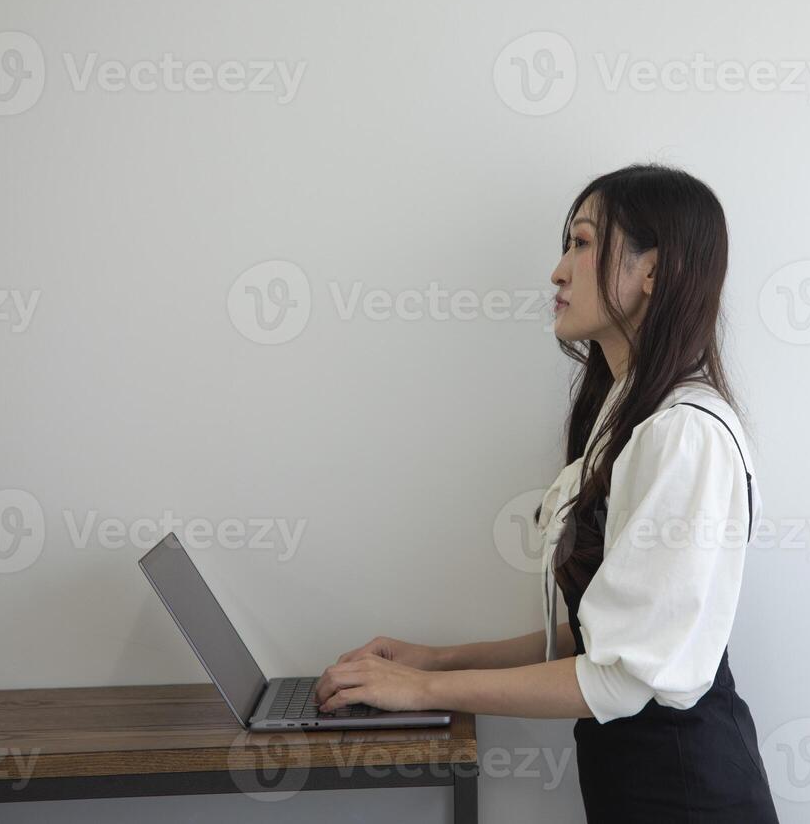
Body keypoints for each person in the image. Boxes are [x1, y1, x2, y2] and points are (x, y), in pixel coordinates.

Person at [315, 163, 780, 822]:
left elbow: (621, 676)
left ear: (655, 270)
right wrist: (436, 660)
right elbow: (602, 638)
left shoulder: (683, 435)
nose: (559, 271)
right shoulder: (628, 417)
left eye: (583, 243)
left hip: (684, 794)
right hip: (642, 785)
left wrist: (422, 688)